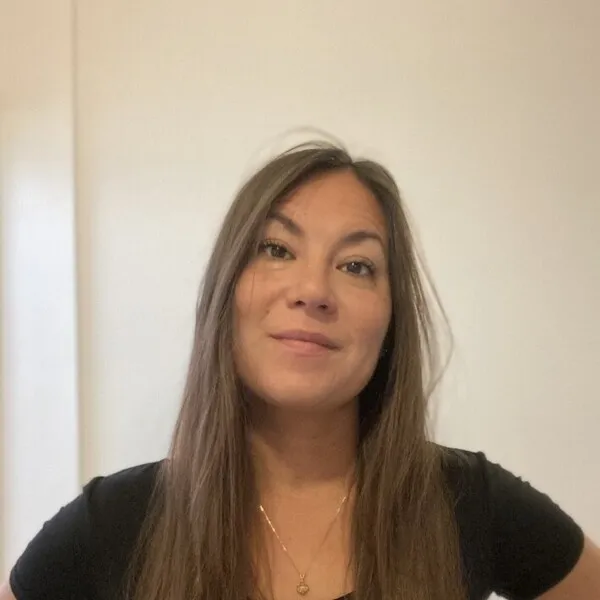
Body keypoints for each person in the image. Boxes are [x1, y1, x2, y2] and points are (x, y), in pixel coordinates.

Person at [1, 142, 599, 600]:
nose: (313, 290)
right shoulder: (112, 523)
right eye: (277, 249)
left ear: (391, 321)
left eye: (357, 265)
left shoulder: (469, 502)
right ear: (226, 292)